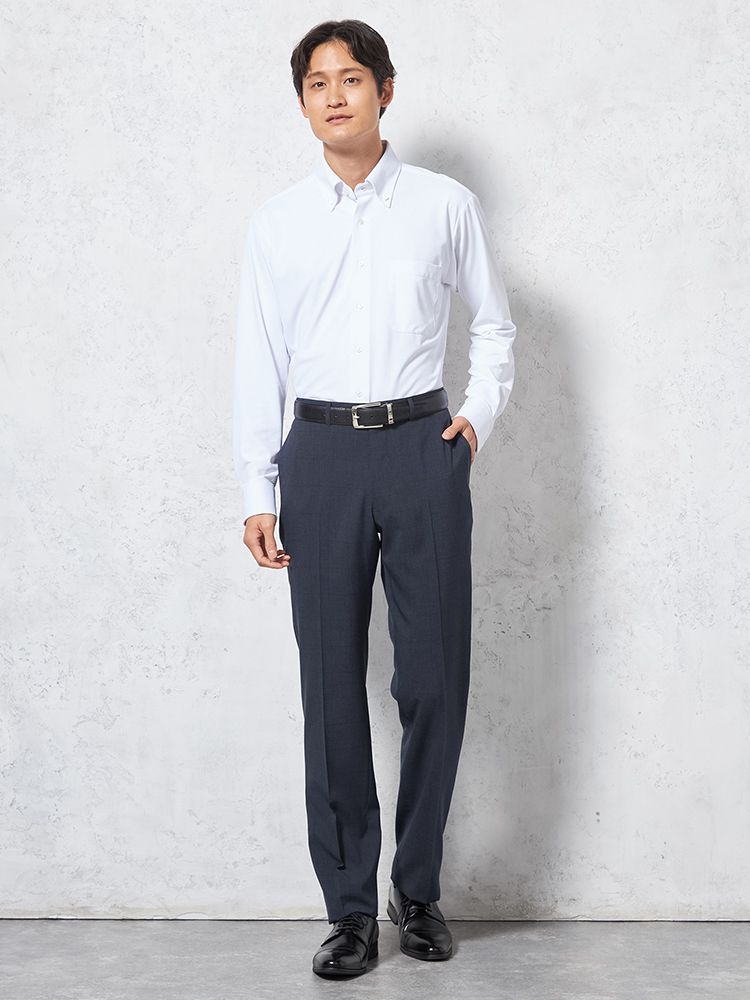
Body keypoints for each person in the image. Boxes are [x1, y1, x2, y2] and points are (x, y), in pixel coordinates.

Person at [232, 18, 516, 979]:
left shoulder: (444, 205)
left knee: (433, 678)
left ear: (384, 91)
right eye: (317, 83)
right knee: (329, 686)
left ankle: (418, 890)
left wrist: (473, 421)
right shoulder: (277, 223)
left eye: (351, 78)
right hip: (316, 454)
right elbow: (257, 361)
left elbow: (497, 328)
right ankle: (350, 909)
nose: (335, 96)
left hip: (420, 447)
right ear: (303, 103)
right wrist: (257, 488)